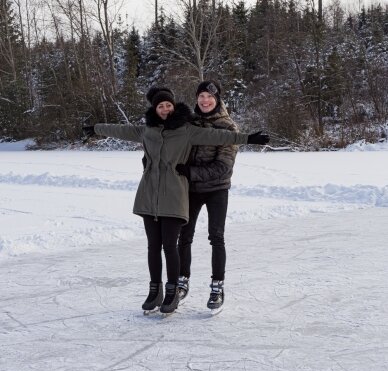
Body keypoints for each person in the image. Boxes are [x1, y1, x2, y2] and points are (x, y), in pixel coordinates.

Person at [83, 86, 268, 315]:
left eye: (168, 105)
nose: (165, 109)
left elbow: (222, 139)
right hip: (164, 193)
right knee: (168, 243)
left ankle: (200, 288)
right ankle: (162, 288)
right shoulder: (153, 129)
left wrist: (248, 138)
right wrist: (96, 129)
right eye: (160, 105)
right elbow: (122, 130)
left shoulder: (190, 128)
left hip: (205, 188)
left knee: (208, 238)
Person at [176, 80, 269, 311]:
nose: (205, 100)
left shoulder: (228, 128)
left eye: (210, 96)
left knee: (216, 237)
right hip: (191, 189)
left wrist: (191, 172)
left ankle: (217, 287)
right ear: (196, 98)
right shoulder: (189, 122)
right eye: (201, 96)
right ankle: (181, 281)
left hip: (217, 189)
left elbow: (223, 168)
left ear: (217, 100)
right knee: (184, 236)